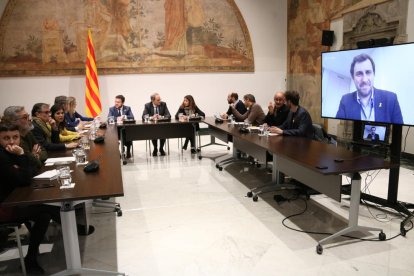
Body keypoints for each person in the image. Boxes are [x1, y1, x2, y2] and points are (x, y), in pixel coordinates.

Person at [0, 122, 52, 274]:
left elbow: (33, 170)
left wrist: (23, 161)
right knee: (46, 212)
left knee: (47, 209)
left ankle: (74, 223)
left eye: (15, 137)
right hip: (5, 206)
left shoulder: (11, 153)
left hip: (13, 197)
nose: (11, 142)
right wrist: (22, 155)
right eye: (5, 138)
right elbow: (25, 179)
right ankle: (30, 260)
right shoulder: (2, 156)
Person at [335, 53, 403, 124]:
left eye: (368, 72)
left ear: (374, 74)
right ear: (353, 78)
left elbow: (397, 131)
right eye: (359, 74)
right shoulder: (345, 100)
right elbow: (341, 128)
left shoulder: (391, 99)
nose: (364, 79)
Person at [2, 106, 47, 174]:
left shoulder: (28, 132)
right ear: (12, 121)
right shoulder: (14, 141)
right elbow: (36, 164)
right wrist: (35, 156)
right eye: (25, 117)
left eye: (28, 116)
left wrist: (34, 156)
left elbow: (44, 152)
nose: (29, 119)